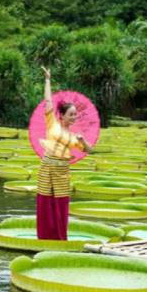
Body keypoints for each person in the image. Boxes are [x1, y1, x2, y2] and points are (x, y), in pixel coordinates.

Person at [36, 66, 92, 240]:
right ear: (62, 115)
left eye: (76, 114)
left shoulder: (75, 136)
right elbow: (48, 101)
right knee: (45, 203)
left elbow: (90, 150)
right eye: (71, 114)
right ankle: (45, 237)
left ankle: (60, 237)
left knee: (60, 205)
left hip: (62, 171)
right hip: (47, 167)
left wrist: (82, 141)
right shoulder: (52, 123)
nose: (74, 117)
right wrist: (47, 80)